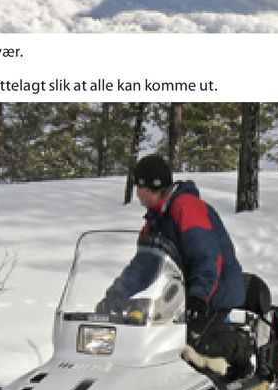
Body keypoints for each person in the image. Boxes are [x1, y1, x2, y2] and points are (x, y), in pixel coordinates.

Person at [103, 154, 249, 377]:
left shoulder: (186, 207)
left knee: (192, 344)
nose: (137, 192)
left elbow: (207, 257)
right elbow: (142, 266)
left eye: (140, 186)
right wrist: (116, 294)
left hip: (215, 290)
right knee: (153, 335)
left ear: (152, 186)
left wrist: (199, 297)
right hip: (183, 294)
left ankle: (239, 345)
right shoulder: (155, 219)